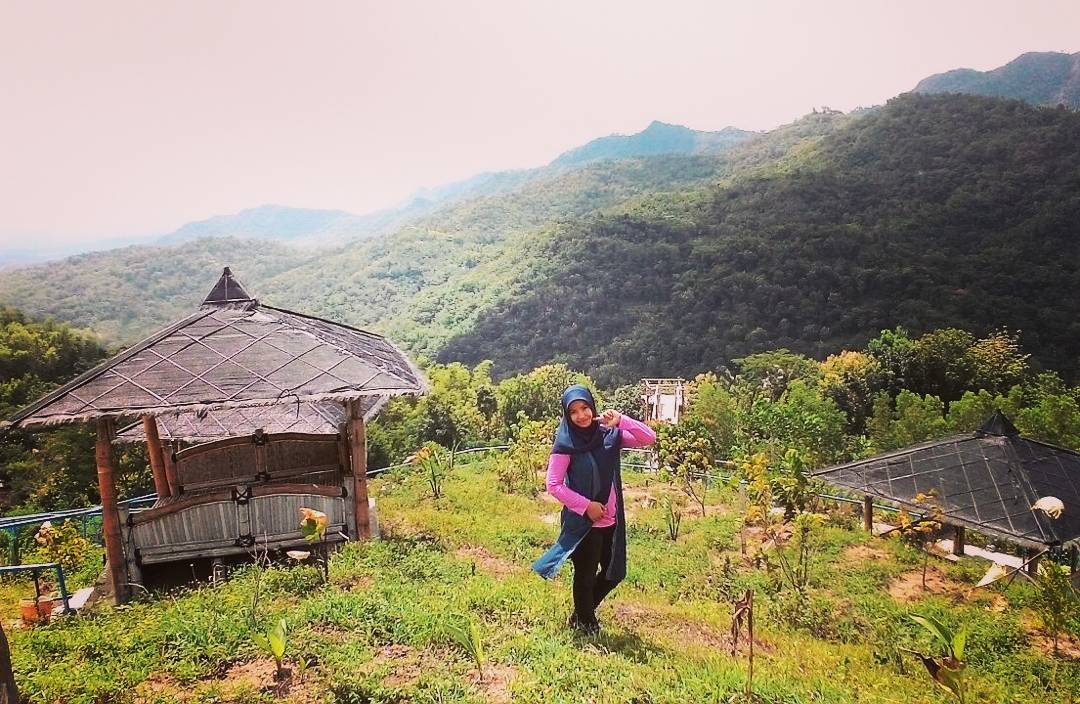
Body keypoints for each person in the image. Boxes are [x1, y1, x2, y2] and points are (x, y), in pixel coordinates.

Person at [532, 384, 656, 634]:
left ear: (592, 407)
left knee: (614, 573)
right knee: (585, 575)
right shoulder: (566, 443)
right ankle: (586, 622)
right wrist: (586, 506)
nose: (581, 415)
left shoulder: (609, 434)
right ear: (567, 415)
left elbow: (648, 438)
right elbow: (554, 485)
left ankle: (581, 614)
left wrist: (622, 420)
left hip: (611, 520)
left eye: (584, 408)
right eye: (573, 411)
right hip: (584, 522)